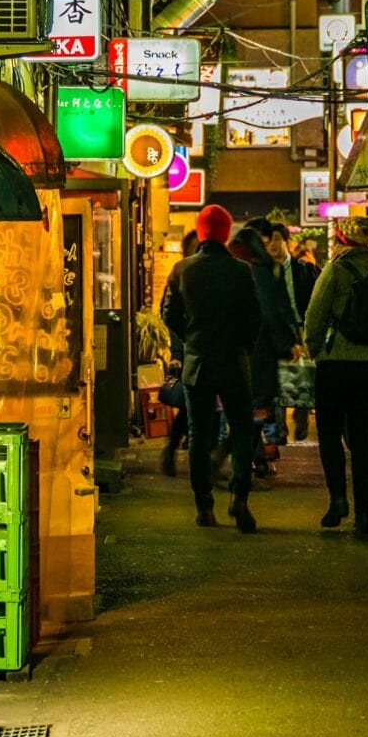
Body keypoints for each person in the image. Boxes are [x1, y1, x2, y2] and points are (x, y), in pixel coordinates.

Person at [163, 204, 262, 532]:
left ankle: (204, 506)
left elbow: (168, 313)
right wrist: (243, 347)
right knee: (242, 430)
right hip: (234, 361)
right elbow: (253, 319)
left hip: (198, 363)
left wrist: (191, 337)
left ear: (201, 231)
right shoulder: (242, 271)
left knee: (199, 435)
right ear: (225, 232)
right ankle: (239, 498)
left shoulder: (182, 270)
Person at [303, 215, 368, 535]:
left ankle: (338, 500)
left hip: (336, 365)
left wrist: (315, 350)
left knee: (329, 433)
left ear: (342, 240)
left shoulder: (334, 271)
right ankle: (364, 514)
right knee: (361, 437)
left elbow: (314, 319)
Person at [227, 226, 300, 475]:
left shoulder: (235, 272)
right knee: (256, 409)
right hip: (259, 353)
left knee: (247, 410)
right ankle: (245, 461)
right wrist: (287, 344)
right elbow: (272, 312)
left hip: (236, 351)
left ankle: (253, 458)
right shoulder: (263, 273)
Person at [268, 222, 319, 440]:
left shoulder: (304, 270)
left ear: (287, 242)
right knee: (275, 379)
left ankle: (301, 415)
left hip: (302, 329)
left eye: (277, 239)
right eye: (268, 240)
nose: (272, 244)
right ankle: (279, 429)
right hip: (275, 331)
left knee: (304, 375)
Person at [159, 230, 199, 477]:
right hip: (187, 352)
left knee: (194, 405)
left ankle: (178, 448)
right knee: (189, 404)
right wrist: (176, 351)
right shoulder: (180, 272)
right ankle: (175, 447)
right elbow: (169, 313)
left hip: (202, 350)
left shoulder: (203, 272)